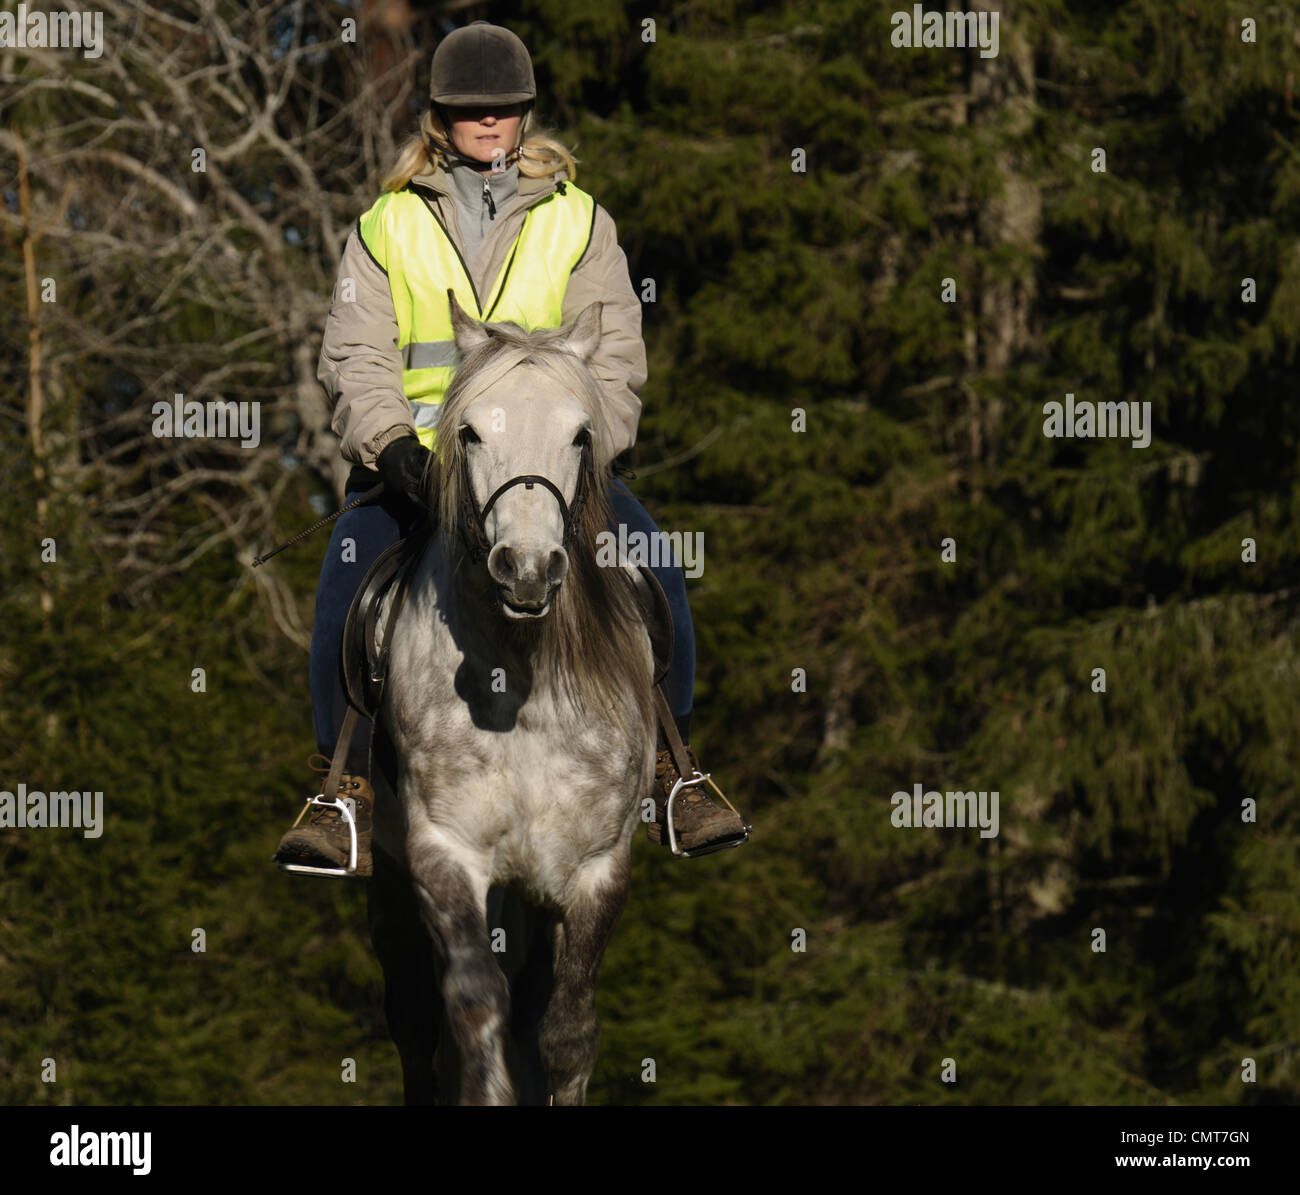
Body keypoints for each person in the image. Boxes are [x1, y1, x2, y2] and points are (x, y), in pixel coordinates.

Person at [274, 21, 747, 878]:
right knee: (344, 583)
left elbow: (615, 359)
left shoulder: (580, 222)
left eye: (504, 109)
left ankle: (674, 771)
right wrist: (392, 450)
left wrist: (587, 447)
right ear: (439, 118)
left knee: (659, 568)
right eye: (469, 111)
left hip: (551, 470)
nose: (488, 124)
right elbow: (356, 355)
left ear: (526, 115)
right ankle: (340, 788)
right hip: (417, 467)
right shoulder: (386, 227)